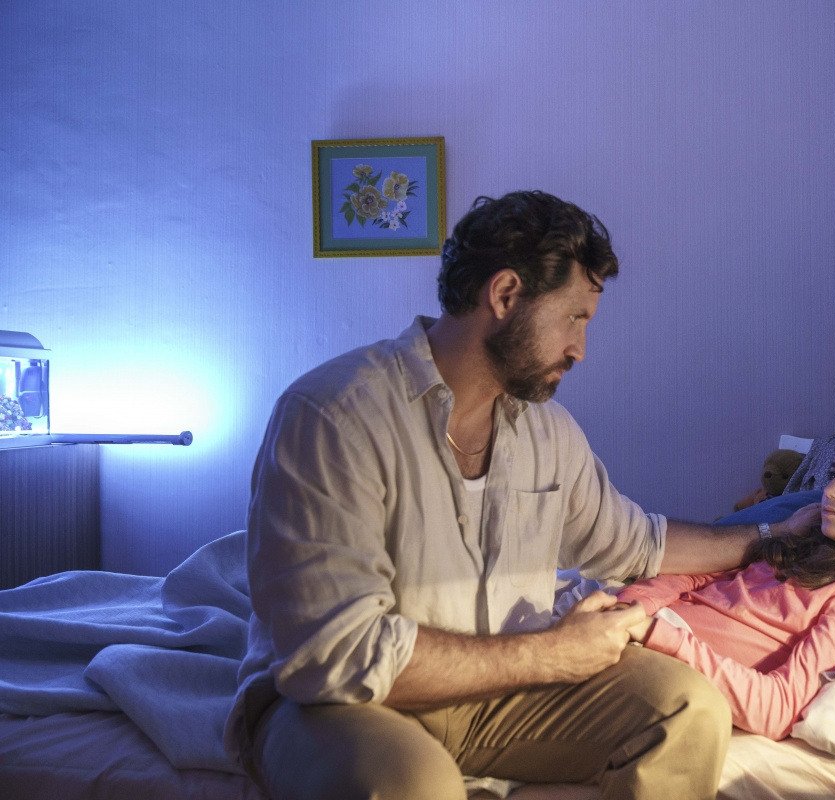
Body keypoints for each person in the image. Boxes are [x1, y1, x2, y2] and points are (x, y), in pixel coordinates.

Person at [224, 190, 800, 800]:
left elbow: (636, 544)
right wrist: (550, 655)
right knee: (413, 785)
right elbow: (336, 654)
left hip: (493, 695)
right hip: (342, 704)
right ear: (503, 295)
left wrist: (771, 537)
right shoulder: (334, 415)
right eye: (574, 318)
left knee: (690, 708)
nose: (580, 349)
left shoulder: (547, 432)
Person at [615, 420, 835, 741]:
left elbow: (778, 708)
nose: (830, 491)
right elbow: (697, 575)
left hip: (664, 662)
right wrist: (634, 607)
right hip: (636, 628)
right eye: (834, 473)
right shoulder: (804, 539)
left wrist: (654, 633)